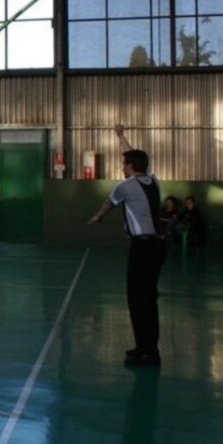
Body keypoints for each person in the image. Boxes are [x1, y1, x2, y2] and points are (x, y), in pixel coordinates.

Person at [87, 124, 167, 367]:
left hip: (143, 248)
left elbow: (109, 203)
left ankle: (149, 353)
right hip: (157, 247)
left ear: (131, 167)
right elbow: (133, 154)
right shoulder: (151, 180)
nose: (122, 168)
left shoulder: (125, 186)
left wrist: (98, 217)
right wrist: (121, 137)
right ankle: (144, 346)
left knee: (139, 299)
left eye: (124, 164)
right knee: (145, 298)